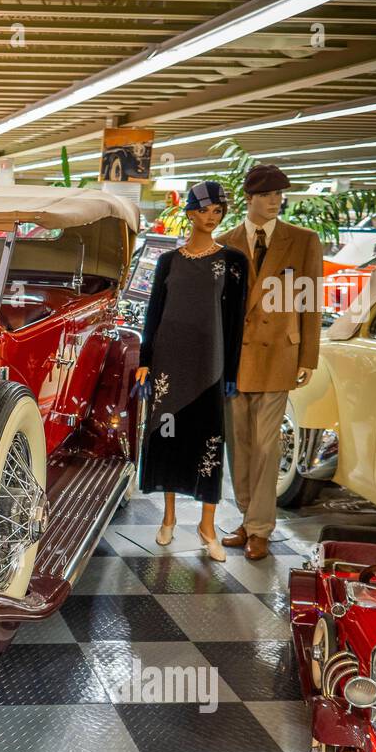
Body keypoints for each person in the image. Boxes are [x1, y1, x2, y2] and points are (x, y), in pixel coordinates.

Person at [135, 181, 247, 561]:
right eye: (204, 210)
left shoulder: (232, 262)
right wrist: (145, 362)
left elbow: (235, 321)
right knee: (169, 438)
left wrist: (230, 371)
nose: (211, 217)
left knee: (208, 441)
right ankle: (168, 518)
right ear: (190, 213)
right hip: (169, 365)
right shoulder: (169, 261)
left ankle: (207, 526)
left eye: (217, 211)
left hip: (209, 366)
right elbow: (154, 313)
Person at [219, 164, 323, 560]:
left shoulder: (303, 241)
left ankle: (261, 528)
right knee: (239, 445)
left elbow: (310, 300)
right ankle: (248, 519)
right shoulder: (225, 243)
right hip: (234, 360)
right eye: (266, 195)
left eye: (279, 194)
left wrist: (307, 356)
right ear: (249, 198)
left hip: (279, 354)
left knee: (267, 445)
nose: (275, 201)